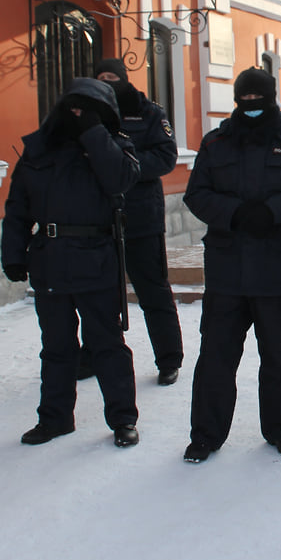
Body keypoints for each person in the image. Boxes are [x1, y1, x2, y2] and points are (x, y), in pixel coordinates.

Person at [181, 68, 281, 463]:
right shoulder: (217, 142)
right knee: (215, 357)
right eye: (244, 99)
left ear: (272, 98)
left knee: (278, 357)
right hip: (228, 271)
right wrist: (234, 213)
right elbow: (197, 194)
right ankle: (206, 434)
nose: (251, 107)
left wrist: (273, 212)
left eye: (258, 99)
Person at [2, 78, 142, 448]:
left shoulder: (114, 146)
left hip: (96, 258)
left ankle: (123, 419)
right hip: (50, 260)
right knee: (57, 347)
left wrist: (93, 133)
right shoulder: (38, 151)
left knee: (107, 344)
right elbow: (17, 209)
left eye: (87, 110)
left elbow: (120, 180)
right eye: (72, 109)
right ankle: (55, 418)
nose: (77, 115)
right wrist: (13, 254)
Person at [83, 58, 185, 387]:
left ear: (125, 79)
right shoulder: (86, 113)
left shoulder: (149, 112)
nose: (107, 82)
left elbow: (166, 156)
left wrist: (122, 165)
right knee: (97, 295)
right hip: (96, 217)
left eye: (113, 77)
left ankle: (169, 358)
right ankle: (95, 354)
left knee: (152, 290)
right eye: (101, 77)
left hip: (141, 215)